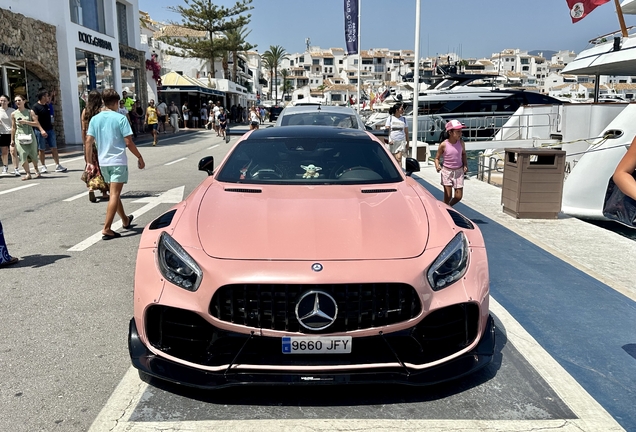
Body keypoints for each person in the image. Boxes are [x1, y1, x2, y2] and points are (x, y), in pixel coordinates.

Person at [85, 89, 145, 240]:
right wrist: (139, 157)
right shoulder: (120, 118)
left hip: (103, 163)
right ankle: (107, 228)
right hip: (117, 161)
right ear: (117, 102)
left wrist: (89, 162)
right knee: (115, 194)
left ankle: (125, 219)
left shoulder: (95, 119)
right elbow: (128, 141)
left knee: (113, 193)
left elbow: (88, 141)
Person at [82, 90, 110, 202]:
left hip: (89, 140)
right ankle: (104, 192)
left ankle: (91, 188)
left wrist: (85, 143)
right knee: (101, 165)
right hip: (100, 140)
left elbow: (83, 129)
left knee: (90, 164)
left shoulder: (85, 111)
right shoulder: (101, 111)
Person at [434, 119, 468, 207]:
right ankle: (446, 207)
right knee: (448, 196)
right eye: (458, 132)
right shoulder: (443, 145)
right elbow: (437, 158)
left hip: (459, 172)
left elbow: (463, 154)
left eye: (461, 131)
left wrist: (465, 165)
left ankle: (447, 206)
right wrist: (437, 166)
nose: (460, 134)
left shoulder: (461, 143)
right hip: (447, 172)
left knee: (458, 196)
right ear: (450, 132)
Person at [33, 89, 67, 173]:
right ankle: (43, 166)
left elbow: (52, 101)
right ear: (42, 97)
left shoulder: (47, 106)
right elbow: (35, 121)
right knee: (41, 149)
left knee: (54, 148)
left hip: (50, 129)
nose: (48, 97)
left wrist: (53, 96)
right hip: (40, 131)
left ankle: (57, 165)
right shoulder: (35, 107)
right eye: (47, 96)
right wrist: (41, 130)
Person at [10, 94, 41, 181]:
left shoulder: (30, 112)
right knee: (23, 155)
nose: (17, 102)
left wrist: (26, 122)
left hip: (30, 135)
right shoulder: (13, 114)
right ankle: (28, 173)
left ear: (24, 101)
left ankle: (36, 169)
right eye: (16, 101)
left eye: (19, 100)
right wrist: (12, 140)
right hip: (19, 136)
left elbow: (36, 123)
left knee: (33, 154)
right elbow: (13, 127)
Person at [0, 94, 20, 176]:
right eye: (1, 100)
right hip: (2, 133)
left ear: (8, 101)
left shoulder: (12, 111)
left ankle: (16, 168)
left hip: (12, 133)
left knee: (13, 151)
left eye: (4, 100)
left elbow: (15, 122)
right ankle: (5, 166)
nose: (3, 102)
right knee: (4, 152)